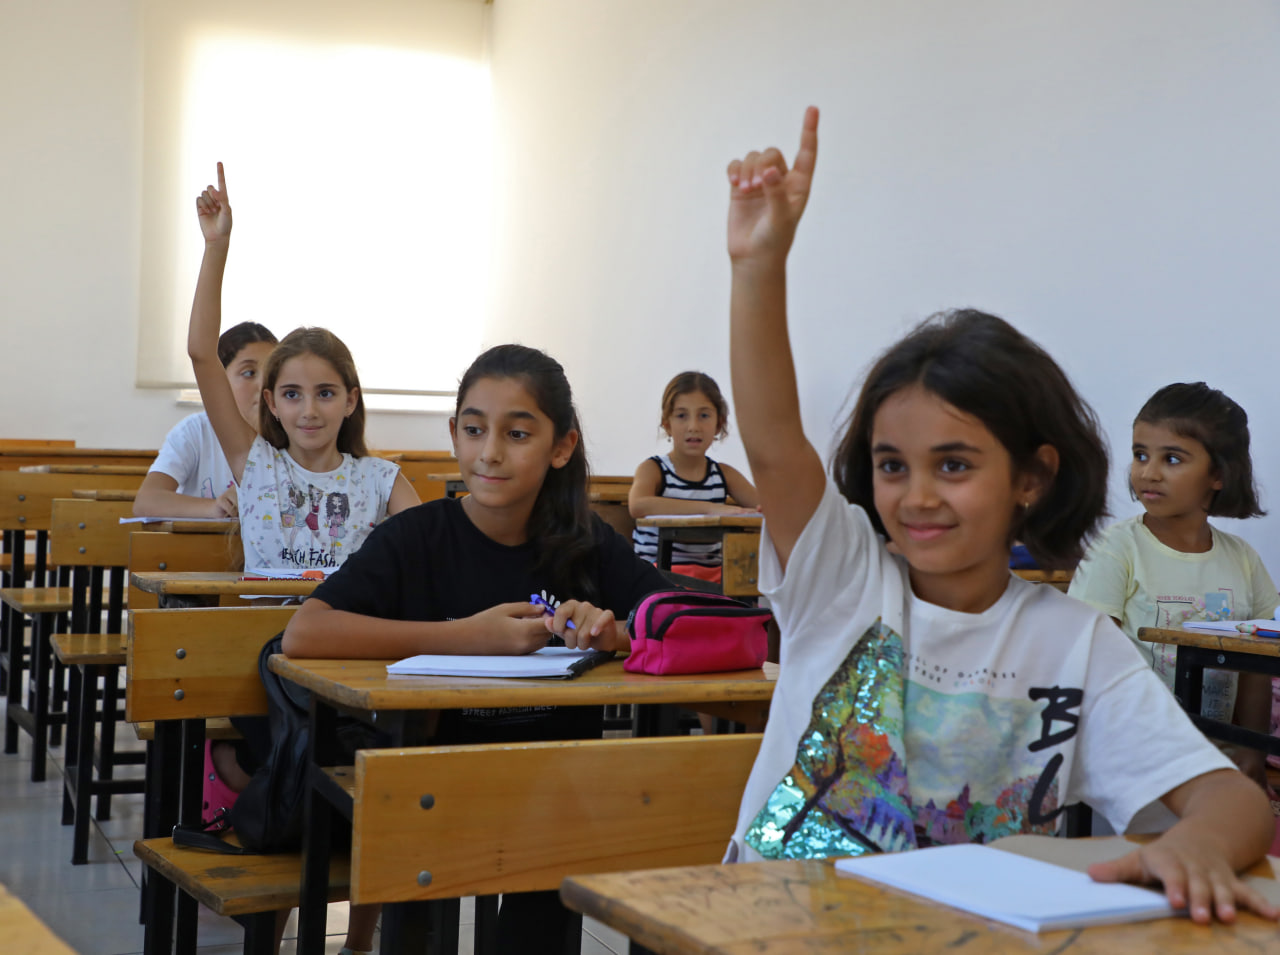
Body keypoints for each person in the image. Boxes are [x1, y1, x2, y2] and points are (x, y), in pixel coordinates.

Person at [721, 107, 1276, 924]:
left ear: (1032, 477)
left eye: (954, 464)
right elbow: (772, 443)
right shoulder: (841, 579)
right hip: (771, 925)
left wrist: (1193, 845)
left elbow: (1235, 800)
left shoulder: (1073, 644)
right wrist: (757, 265)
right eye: (892, 465)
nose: (917, 495)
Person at [282, 343, 672, 954]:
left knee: (555, 868)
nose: (489, 452)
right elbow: (305, 632)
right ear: (454, 435)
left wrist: (616, 632)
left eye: (517, 434)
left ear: (561, 447)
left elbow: (683, 619)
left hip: (552, 788)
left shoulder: (586, 542)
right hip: (432, 780)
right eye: (473, 430)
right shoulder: (417, 537)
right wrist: (466, 637)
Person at [188, 162, 419, 955]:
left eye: (326, 392)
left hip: (356, 676)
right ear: (270, 404)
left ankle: (361, 940)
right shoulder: (256, 464)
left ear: (351, 399)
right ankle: (282, 928)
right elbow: (201, 352)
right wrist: (217, 246)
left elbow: (431, 557)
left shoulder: (382, 479)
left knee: (388, 775)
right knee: (310, 773)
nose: (309, 408)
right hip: (273, 678)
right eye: (292, 393)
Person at [1070, 382, 1278, 790]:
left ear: (1218, 474)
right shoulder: (1117, 549)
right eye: (1140, 454)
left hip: (1213, 757)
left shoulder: (1242, 559)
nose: (1148, 472)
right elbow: (1093, 658)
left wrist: (1250, 751)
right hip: (1131, 753)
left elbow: (1256, 667)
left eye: (1172, 458)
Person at [133, 321, 276, 518]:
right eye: (249, 373)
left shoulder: (291, 433)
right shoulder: (195, 431)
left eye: (272, 374)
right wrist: (216, 507)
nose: (263, 384)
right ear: (219, 381)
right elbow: (146, 502)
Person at [629, 370, 759, 584]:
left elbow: (767, 508)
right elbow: (638, 505)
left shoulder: (724, 474)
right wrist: (709, 509)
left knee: (745, 583)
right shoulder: (653, 469)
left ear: (719, 424)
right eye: (682, 416)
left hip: (712, 580)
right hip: (659, 576)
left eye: (704, 416)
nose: (693, 427)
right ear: (667, 424)